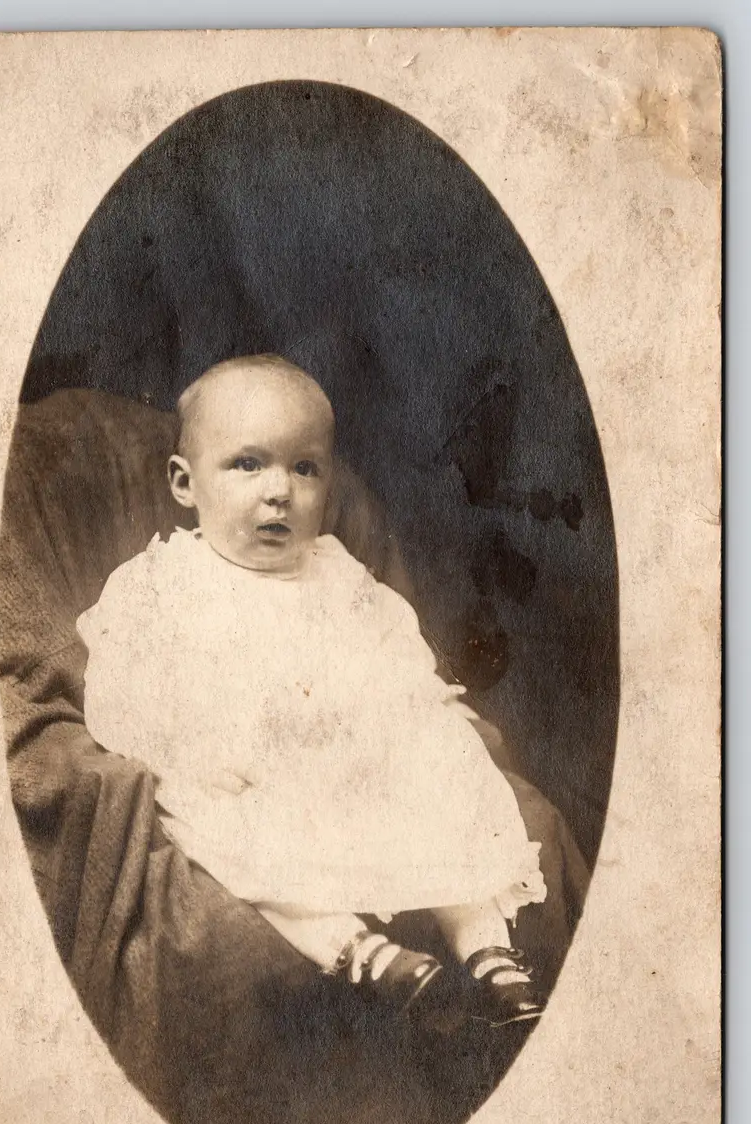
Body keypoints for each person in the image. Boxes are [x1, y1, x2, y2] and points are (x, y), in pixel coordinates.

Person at [76, 355, 549, 1036]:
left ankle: (489, 951)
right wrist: (192, 753)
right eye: (248, 464)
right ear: (185, 482)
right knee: (212, 825)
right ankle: (357, 950)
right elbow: (126, 684)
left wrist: (419, 712)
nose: (280, 492)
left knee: (449, 770)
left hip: (352, 761)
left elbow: (391, 652)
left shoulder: (335, 573)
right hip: (248, 770)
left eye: (305, 469)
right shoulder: (162, 583)